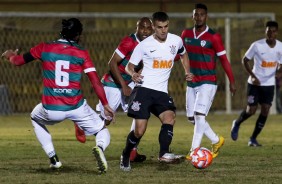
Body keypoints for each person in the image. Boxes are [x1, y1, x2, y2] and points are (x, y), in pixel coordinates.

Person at [1, 18, 115, 173]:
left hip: (51, 109)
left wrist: (9, 55)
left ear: (61, 32)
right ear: (78, 35)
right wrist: (106, 104)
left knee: (35, 117)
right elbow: (95, 81)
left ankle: (53, 159)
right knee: (102, 130)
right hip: (76, 106)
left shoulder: (44, 48)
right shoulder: (81, 52)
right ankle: (99, 147)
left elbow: (18, 61)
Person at [119, 11, 193, 172]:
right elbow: (128, 66)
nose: (163, 30)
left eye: (166, 26)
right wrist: (133, 74)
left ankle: (164, 153)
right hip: (144, 90)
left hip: (161, 92)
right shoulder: (144, 45)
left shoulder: (176, 40)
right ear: (153, 27)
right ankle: (125, 154)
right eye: (159, 27)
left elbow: (183, 54)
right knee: (139, 131)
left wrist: (187, 70)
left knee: (170, 117)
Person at [74, 17, 153, 162]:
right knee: (105, 121)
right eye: (142, 27)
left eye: (149, 28)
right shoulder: (129, 42)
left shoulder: (151, 44)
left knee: (140, 114)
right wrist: (124, 86)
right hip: (114, 85)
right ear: (137, 28)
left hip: (129, 84)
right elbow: (112, 64)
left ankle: (132, 151)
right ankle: (82, 125)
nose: (145, 31)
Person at [181, 3, 236, 159]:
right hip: (192, 82)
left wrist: (231, 81)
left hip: (208, 80)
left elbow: (224, 60)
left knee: (199, 115)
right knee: (192, 118)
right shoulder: (185, 34)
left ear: (206, 16)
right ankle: (216, 140)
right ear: (192, 16)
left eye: (202, 14)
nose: (198, 17)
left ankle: (194, 152)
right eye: (196, 14)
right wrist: (187, 71)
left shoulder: (213, 36)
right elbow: (180, 54)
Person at [231, 20, 282, 146]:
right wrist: (253, 76)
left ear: (277, 33)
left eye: (273, 31)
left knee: (265, 110)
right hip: (255, 84)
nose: (271, 33)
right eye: (268, 31)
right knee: (251, 110)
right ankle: (237, 123)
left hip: (269, 84)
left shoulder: (280, 46)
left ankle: (253, 139)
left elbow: (280, 63)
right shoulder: (257, 45)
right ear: (265, 31)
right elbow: (245, 60)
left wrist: (279, 71)